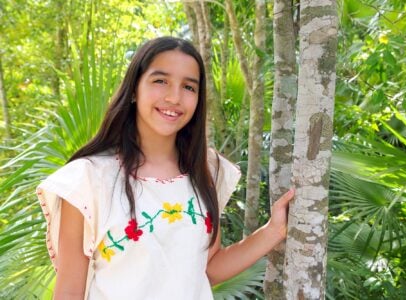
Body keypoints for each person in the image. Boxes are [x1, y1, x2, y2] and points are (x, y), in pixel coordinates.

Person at [37, 36, 294, 300]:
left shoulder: (206, 169)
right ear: (134, 88)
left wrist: (272, 230)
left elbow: (207, 269)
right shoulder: (86, 180)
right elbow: (69, 292)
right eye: (161, 81)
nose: (174, 97)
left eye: (189, 87)